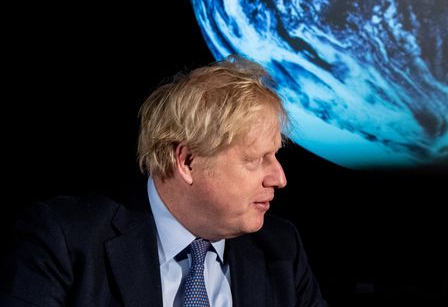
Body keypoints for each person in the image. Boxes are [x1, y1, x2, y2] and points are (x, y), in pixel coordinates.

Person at [1, 56, 327, 306]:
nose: (279, 178)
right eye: (255, 160)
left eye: (275, 156)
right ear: (186, 161)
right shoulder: (66, 240)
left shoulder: (281, 248)